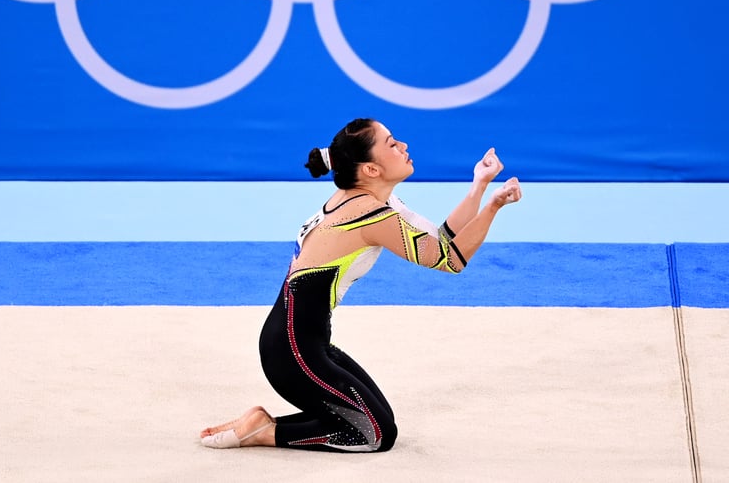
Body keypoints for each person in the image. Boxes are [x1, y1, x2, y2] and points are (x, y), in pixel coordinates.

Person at [199, 118, 522, 452]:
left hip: (305, 345)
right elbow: (450, 259)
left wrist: (479, 185)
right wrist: (494, 206)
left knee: (381, 420)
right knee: (376, 435)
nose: (404, 147)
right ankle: (267, 433)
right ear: (370, 169)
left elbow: (440, 241)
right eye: (392, 144)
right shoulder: (368, 214)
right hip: (292, 353)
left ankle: (261, 423)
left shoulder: (367, 201)